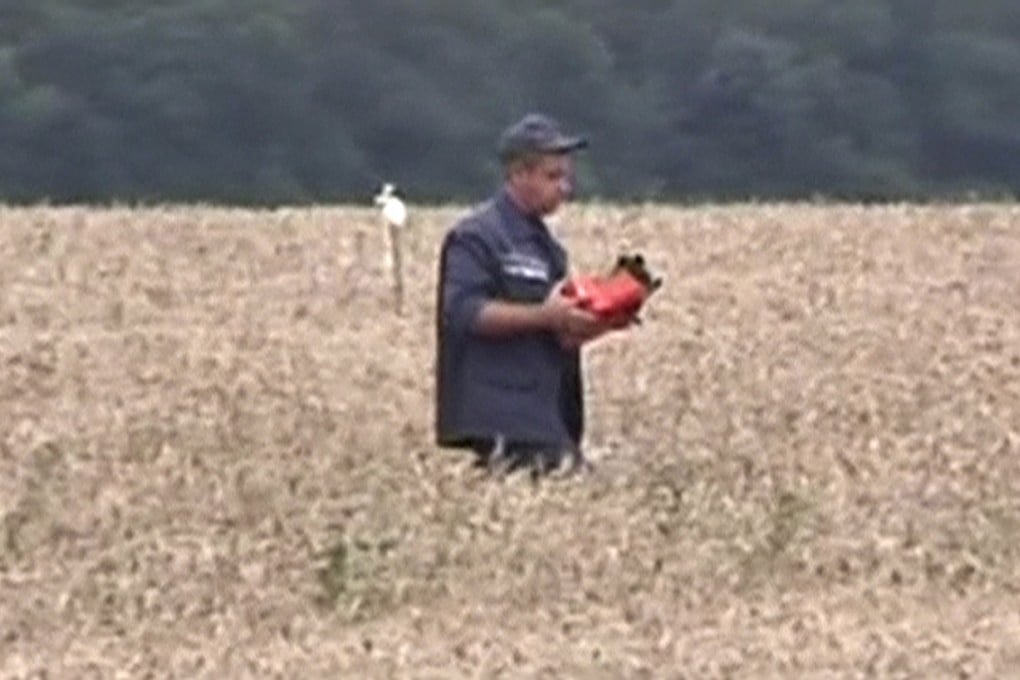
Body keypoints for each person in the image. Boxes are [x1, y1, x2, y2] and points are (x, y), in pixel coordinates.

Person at [434, 112, 629, 476]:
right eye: (553, 176)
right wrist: (546, 315)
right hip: (502, 410)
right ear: (518, 175)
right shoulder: (477, 237)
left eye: (566, 177)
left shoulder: (548, 250)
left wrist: (600, 320)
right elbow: (463, 313)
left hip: (546, 410)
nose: (565, 188)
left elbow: (556, 334)